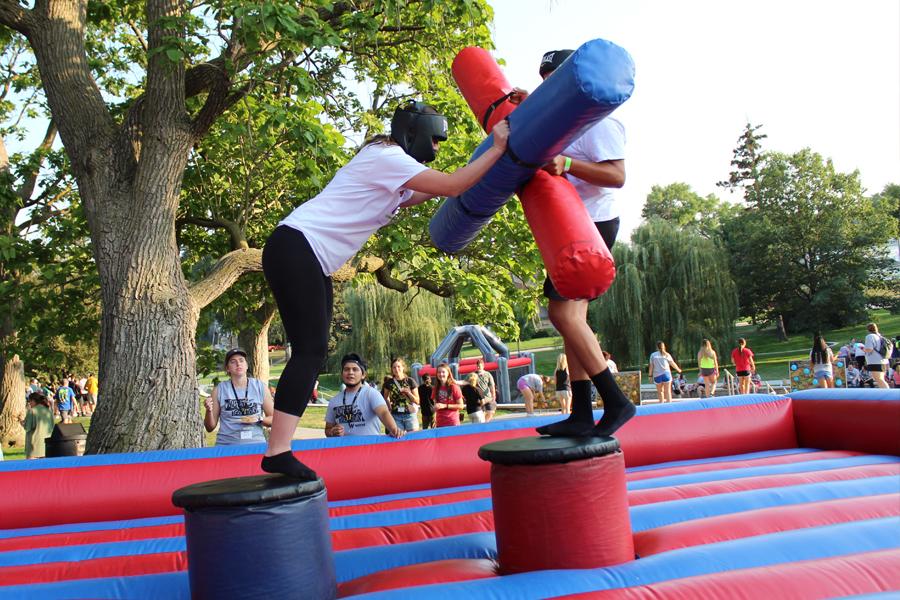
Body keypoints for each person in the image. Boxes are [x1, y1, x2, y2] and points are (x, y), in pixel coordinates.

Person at [259, 102, 509, 478]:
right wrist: (497, 148)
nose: (438, 149)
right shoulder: (388, 156)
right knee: (308, 352)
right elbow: (453, 184)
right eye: (435, 142)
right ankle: (277, 452)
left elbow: (430, 191)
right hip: (298, 247)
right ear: (414, 135)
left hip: (309, 256)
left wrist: (485, 162)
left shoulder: (390, 168)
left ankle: (279, 450)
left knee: (313, 353)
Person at [517, 50, 634, 438]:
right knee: (571, 322)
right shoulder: (558, 119)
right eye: (544, 80)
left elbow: (617, 175)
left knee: (564, 317)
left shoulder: (597, 122)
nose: (548, 87)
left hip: (593, 226)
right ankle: (581, 413)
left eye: (555, 79)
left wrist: (567, 165)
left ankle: (615, 401)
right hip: (569, 224)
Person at [203, 349, 274, 446]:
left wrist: (259, 419)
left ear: (246, 365)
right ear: (227, 368)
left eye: (241, 360)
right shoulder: (219, 390)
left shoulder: (260, 387)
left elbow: (274, 419)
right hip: (227, 445)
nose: (238, 364)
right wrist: (209, 410)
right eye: (233, 362)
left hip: (256, 445)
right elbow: (209, 427)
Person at [325, 354, 403, 438]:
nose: (350, 372)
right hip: (345, 449)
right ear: (342, 374)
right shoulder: (334, 401)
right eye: (346, 369)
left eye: (355, 369)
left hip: (369, 448)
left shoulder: (371, 393)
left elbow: (384, 413)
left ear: (363, 375)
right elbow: (328, 429)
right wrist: (332, 432)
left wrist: (394, 429)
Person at [382, 357, 420, 433]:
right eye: (394, 367)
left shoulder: (410, 381)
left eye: (399, 366)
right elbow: (385, 398)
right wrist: (389, 406)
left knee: (413, 439)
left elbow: (417, 401)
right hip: (396, 415)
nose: (396, 369)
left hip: (410, 415)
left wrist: (408, 393)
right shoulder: (389, 383)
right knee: (398, 439)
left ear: (403, 367)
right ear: (392, 369)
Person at [22, 392, 54, 459]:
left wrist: (22, 423)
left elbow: (27, 427)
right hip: (47, 443)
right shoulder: (48, 410)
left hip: (34, 444)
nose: (29, 403)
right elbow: (52, 425)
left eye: (29, 401)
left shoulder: (32, 411)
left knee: (31, 467)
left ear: (33, 400)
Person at [433, 363, 464, 427]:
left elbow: (461, 406)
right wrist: (434, 417)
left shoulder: (454, 387)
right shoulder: (435, 388)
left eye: (443, 372)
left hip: (452, 422)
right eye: (439, 372)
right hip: (440, 423)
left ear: (448, 374)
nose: (441, 374)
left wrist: (445, 406)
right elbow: (435, 405)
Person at [863, 323, 890, 389]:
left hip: (875, 361)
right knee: (881, 379)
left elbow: (869, 349)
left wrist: (863, 349)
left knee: (879, 380)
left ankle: (888, 396)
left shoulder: (870, 336)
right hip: (884, 361)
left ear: (868, 329)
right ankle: (885, 395)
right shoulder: (880, 336)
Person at [473, 358, 497, 423]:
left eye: (479, 366)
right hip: (478, 398)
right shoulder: (474, 375)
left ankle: (485, 423)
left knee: (491, 411)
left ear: (483, 366)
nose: (478, 367)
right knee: (481, 414)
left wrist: (493, 395)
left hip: (488, 397)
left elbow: (492, 386)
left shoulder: (488, 374)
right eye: (477, 366)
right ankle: (482, 424)